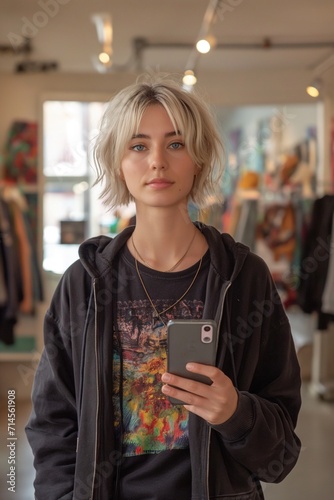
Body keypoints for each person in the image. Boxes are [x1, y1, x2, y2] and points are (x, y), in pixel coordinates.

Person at [26, 75, 301, 500]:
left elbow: (281, 453)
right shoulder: (85, 284)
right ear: (118, 161)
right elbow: (53, 423)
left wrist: (235, 413)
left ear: (200, 159)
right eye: (138, 146)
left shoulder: (245, 278)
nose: (157, 161)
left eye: (175, 144)